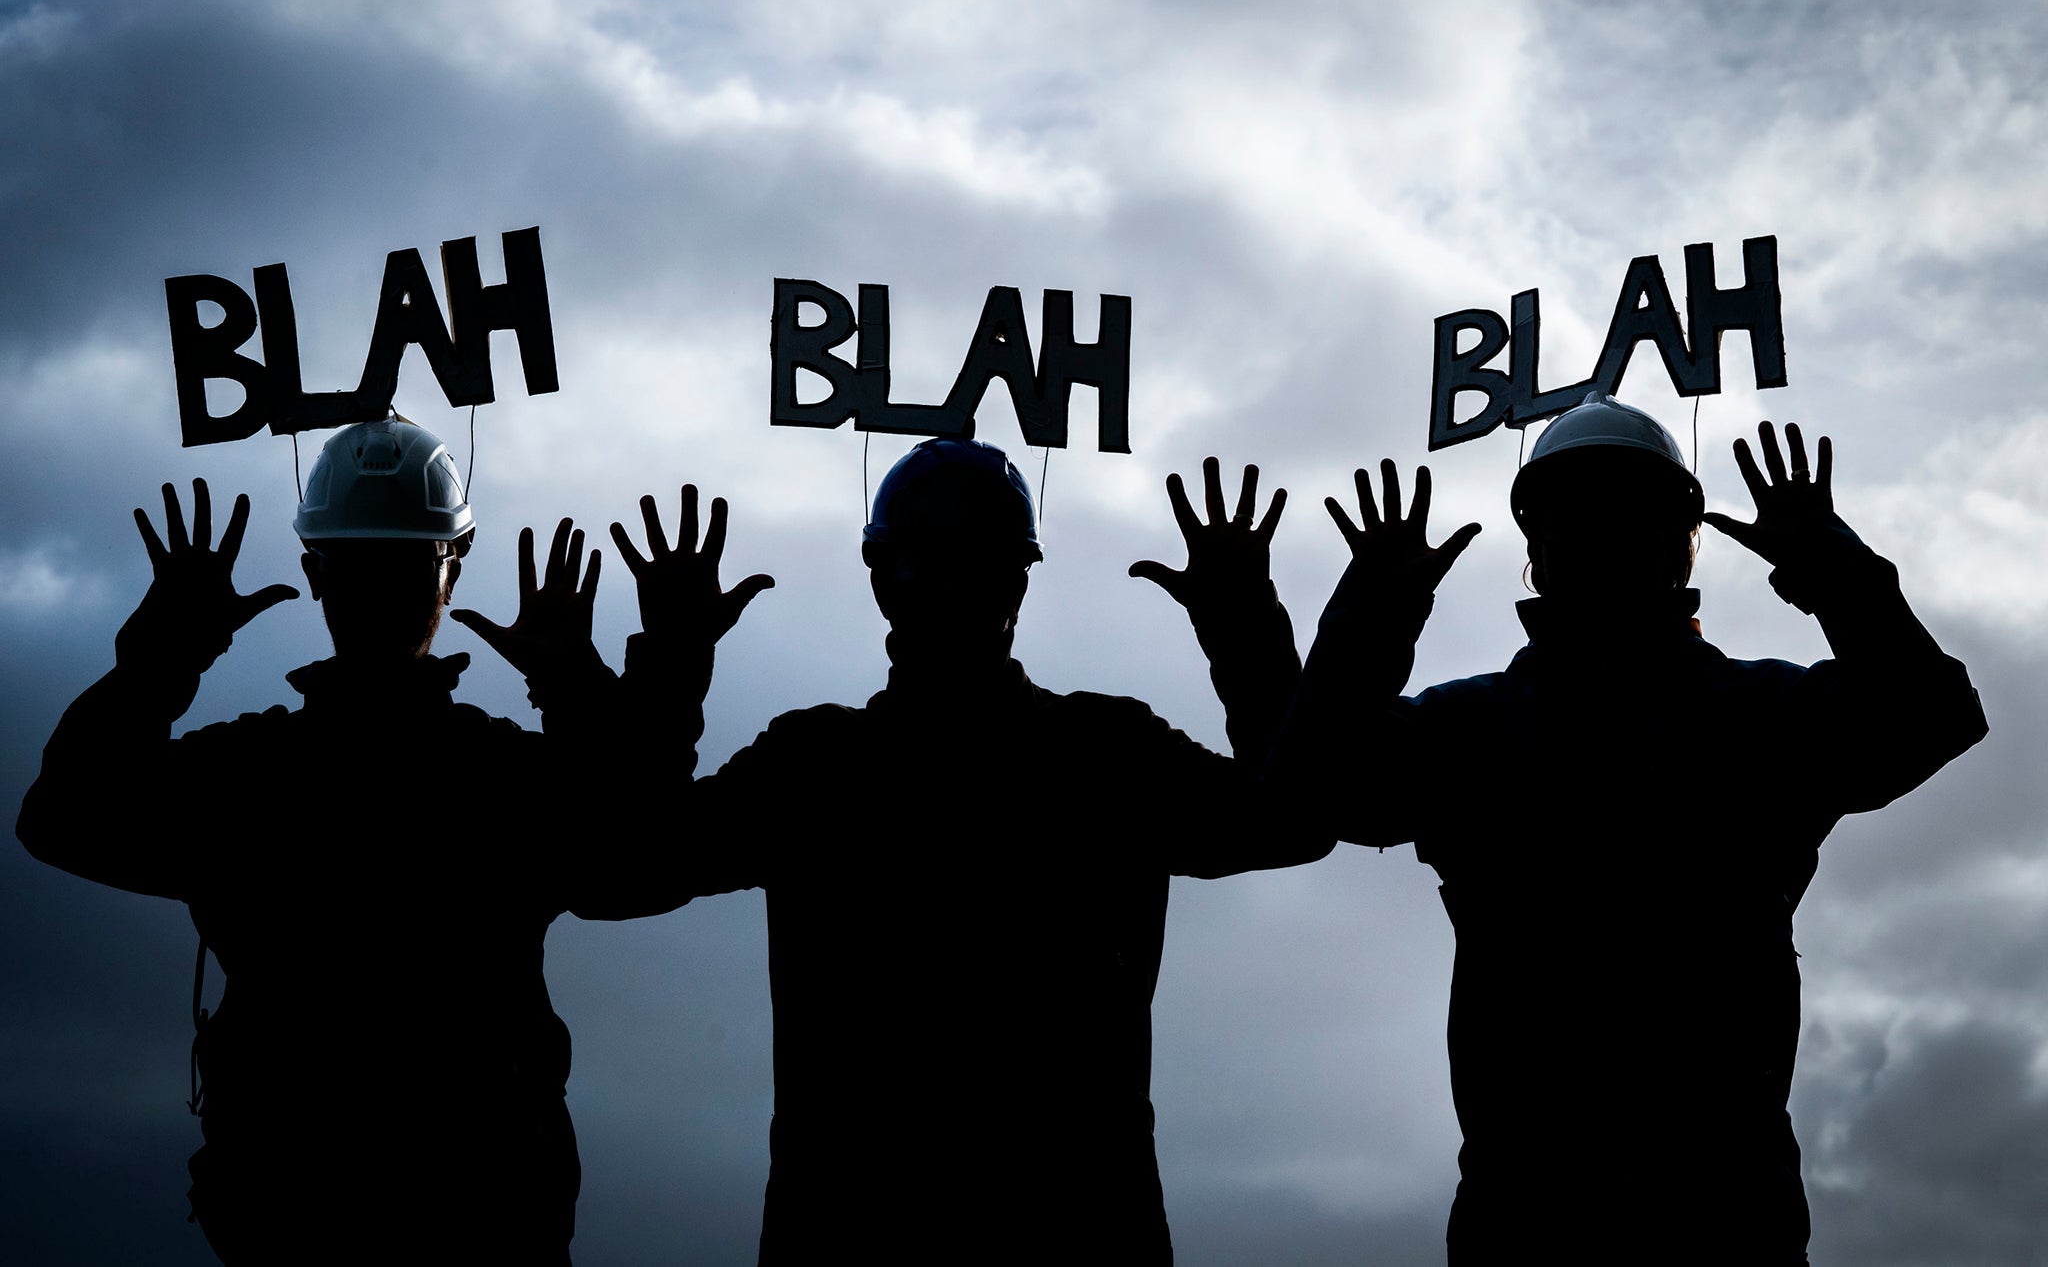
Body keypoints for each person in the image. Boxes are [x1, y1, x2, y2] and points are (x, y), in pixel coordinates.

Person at [1273, 396, 1987, 1264]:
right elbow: (1310, 790)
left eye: (1623, 512)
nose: (1603, 536)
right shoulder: (1753, 717)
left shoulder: (1488, 730)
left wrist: (1375, 612)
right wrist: (1825, 562)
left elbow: (1933, 714)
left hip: (1615, 1219)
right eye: (1583, 514)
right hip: (1662, 1219)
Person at [596, 439, 1330, 1265]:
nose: (944, 586)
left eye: (957, 564)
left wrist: (673, 657)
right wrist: (1240, 620)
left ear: (881, 581)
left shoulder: (815, 765)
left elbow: (623, 866)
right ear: (1017, 581)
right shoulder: (1105, 753)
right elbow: (1297, 818)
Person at [15, 415, 663, 1264]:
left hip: (291, 1225)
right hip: (485, 1224)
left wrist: (164, 653)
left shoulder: (241, 778)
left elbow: (61, 815)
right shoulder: (509, 779)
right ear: (451, 569)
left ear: (315, 573)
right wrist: (576, 681)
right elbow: (644, 856)